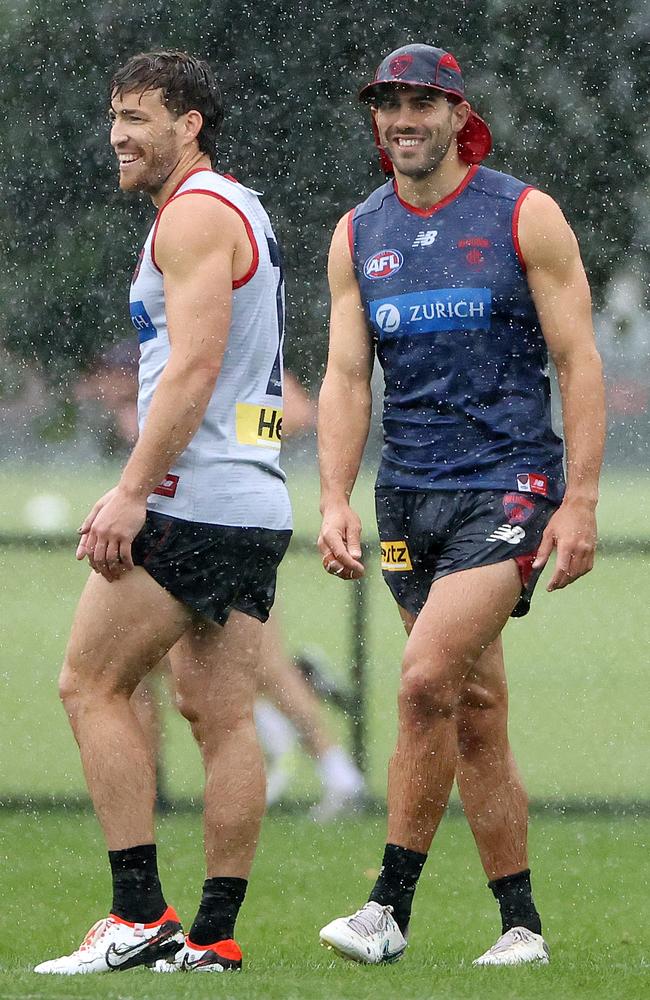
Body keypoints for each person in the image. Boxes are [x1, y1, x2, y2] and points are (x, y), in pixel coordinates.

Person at [317, 43, 604, 967]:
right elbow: (347, 378)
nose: (403, 121)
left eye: (421, 104)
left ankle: (385, 909)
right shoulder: (359, 232)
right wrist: (332, 496)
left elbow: (579, 362)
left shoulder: (524, 214)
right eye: (388, 106)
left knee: (422, 680)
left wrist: (582, 499)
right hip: (408, 503)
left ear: (456, 112)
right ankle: (521, 927)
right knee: (474, 706)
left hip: (509, 489)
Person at [35, 50, 293, 975]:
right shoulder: (245, 206)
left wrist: (133, 490)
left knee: (88, 684)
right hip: (255, 496)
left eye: (138, 116)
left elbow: (191, 366)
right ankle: (213, 938)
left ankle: (138, 913)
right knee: (217, 715)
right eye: (115, 116)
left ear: (190, 125)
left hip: (194, 497)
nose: (118, 135)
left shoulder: (189, 216)